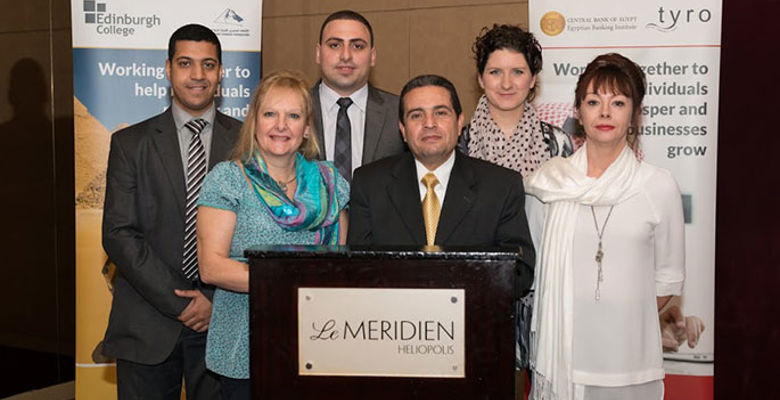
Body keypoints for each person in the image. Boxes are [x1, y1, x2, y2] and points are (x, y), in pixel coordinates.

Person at [525, 53, 685, 400]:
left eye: (619, 102)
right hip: (563, 357)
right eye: (594, 101)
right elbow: (536, 271)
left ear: (634, 115)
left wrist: (618, 312)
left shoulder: (658, 185)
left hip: (629, 360)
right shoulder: (549, 184)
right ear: (579, 113)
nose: (605, 112)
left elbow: (667, 279)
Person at [101, 24, 240, 399]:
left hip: (223, 321)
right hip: (147, 321)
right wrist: (182, 302)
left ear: (221, 72)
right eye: (186, 63)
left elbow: (253, 231)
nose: (198, 75)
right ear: (167, 69)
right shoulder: (130, 143)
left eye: (208, 65)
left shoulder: (247, 143)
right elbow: (119, 233)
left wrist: (212, 300)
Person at [196, 70, 350, 399]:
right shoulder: (228, 180)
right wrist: (293, 280)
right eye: (270, 114)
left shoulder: (331, 184)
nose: (281, 125)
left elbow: (339, 265)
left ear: (306, 128)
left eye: (293, 115)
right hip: (245, 344)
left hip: (317, 341)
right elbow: (212, 267)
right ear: (255, 122)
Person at [347, 74, 534, 292]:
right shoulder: (369, 184)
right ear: (403, 130)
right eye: (416, 115)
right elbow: (357, 271)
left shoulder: (501, 186)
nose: (429, 124)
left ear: (459, 121)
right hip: (395, 320)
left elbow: (520, 272)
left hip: (473, 318)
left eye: (441, 113)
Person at [458, 24, 573, 177]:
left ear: (532, 79)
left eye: (517, 72)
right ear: (481, 79)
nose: (506, 84)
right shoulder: (458, 142)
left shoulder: (557, 142)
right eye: (495, 72)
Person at [312, 10, 406, 182]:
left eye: (357, 46)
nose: (346, 56)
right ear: (318, 53)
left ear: (372, 56)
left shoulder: (400, 111)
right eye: (335, 45)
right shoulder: (294, 110)